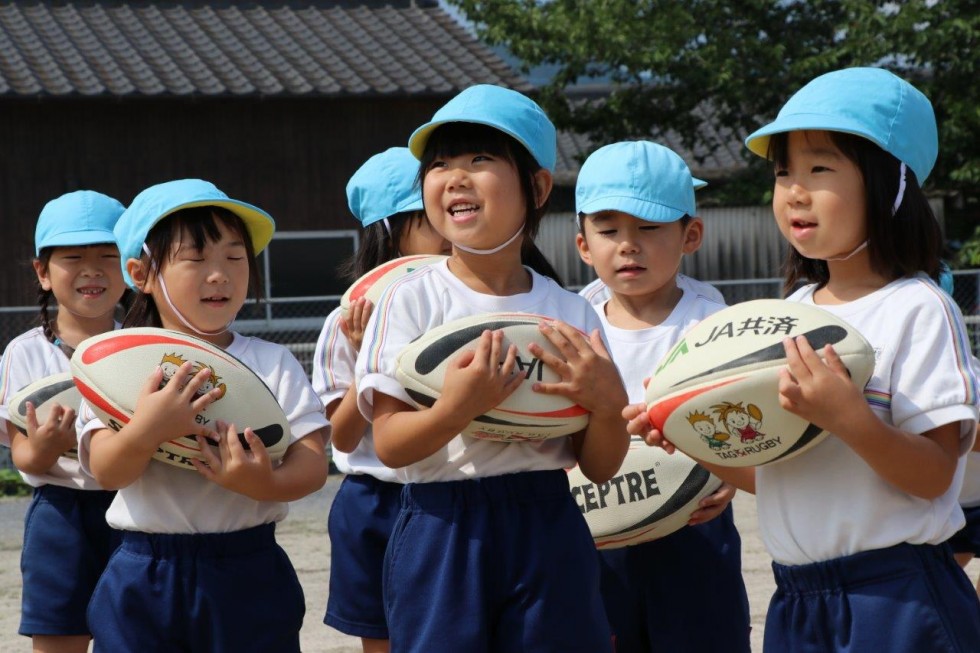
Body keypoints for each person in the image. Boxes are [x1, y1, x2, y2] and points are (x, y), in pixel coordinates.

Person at [625, 67, 980, 652]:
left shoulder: (919, 308)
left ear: (890, 183)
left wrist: (850, 417)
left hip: (896, 598)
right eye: (783, 171)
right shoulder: (788, 313)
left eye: (820, 168)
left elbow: (935, 475)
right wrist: (684, 432)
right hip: (796, 600)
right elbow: (779, 475)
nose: (794, 190)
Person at [354, 84, 629, 652]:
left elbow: (600, 467)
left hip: (548, 521)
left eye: (480, 160)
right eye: (438, 165)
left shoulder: (571, 311)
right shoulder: (407, 301)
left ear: (537, 187)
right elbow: (390, 444)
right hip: (441, 526)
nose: (455, 177)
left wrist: (607, 406)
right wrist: (459, 407)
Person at [75, 179, 330, 653]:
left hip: (249, 566)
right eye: (195, 259)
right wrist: (149, 429)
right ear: (141, 273)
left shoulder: (273, 362)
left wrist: (264, 485)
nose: (220, 275)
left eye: (235, 258)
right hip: (145, 571)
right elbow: (108, 470)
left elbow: (312, 462)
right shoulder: (114, 366)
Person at [574, 140, 750, 652]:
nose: (628, 245)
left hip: (694, 526)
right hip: (598, 526)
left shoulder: (714, 322)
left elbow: (742, 420)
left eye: (649, 228)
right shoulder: (569, 319)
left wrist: (732, 478)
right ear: (583, 244)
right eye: (608, 231)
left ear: (690, 234)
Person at [314, 147, 450, 653]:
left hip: (447, 495)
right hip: (375, 501)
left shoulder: (465, 311)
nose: (450, 234)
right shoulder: (346, 318)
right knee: (384, 638)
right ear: (390, 230)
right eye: (433, 220)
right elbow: (342, 436)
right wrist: (368, 358)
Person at [0, 190, 126, 653]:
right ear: (43, 272)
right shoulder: (25, 351)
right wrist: (46, 445)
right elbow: (21, 455)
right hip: (60, 513)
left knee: (131, 633)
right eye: (73, 257)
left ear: (131, 268)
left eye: (108, 256)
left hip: (135, 507)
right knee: (59, 635)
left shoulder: (143, 346)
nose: (92, 269)